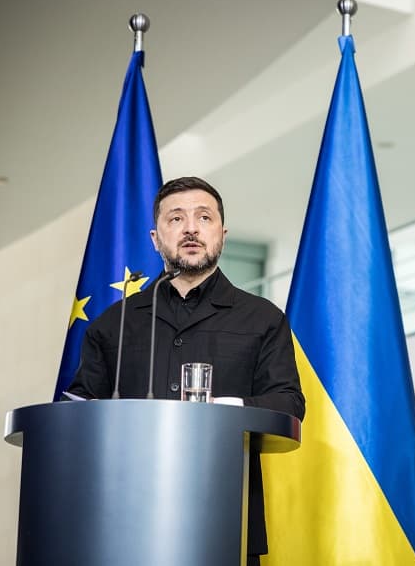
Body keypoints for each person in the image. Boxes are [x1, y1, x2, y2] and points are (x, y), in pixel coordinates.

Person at [66, 176, 305, 563]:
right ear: (154, 238)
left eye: (204, 217)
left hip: (227, 518)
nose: (191, 228)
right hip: (124, 521)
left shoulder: (262, 318)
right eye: (176, 219)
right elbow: (81, 413)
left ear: (222, 234)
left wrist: (222, 410)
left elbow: (289, 403)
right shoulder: (113, 324)